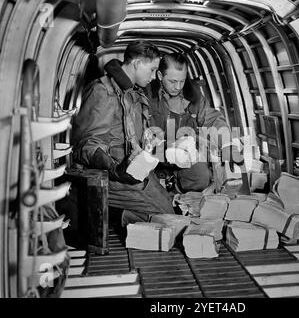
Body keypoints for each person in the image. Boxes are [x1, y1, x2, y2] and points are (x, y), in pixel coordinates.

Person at [71, 41, 175, 226]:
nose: (154, 77)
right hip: (113, 176)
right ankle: (111, 214)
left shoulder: (131, 91)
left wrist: (149, 136)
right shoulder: (103, 92)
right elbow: (86, 145)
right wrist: (115, 170)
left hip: (133, 171)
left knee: (170, 211)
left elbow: (125, 133)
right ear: (136, 64)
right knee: (166, 220)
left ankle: (118, 214)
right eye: (152, 70)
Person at [145, 52, 241, 193]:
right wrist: (163, 149)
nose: (178, 87)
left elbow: (212, 119)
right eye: (172, 81)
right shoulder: (146, 95)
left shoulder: (194, 95)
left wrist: (227, 143)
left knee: (201, 177)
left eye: (182, 81)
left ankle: (180, 194)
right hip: (155, 154)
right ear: (160, 76)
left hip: (186, 154)